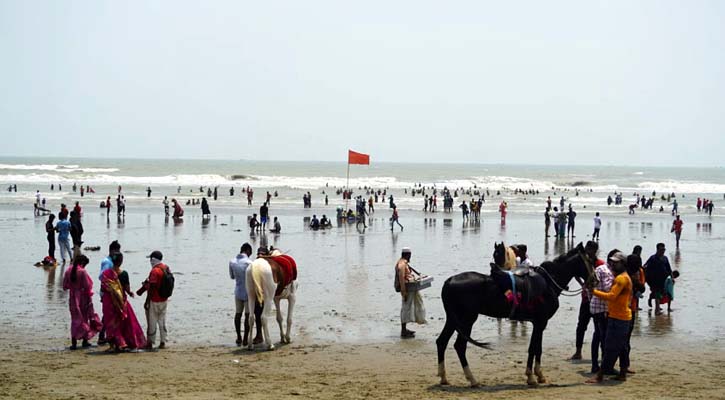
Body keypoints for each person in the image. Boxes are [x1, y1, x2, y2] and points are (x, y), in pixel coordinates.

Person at [586, 251, 632, 383]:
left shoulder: (621, 279)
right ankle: (622, 373)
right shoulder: (624, 276)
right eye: (612, 262)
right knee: (622, 346)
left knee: (609, 347)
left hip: (618, 318)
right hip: (622, 316)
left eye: (616, 262)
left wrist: (593, 291)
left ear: (622, 264)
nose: (612, 264)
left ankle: (600, 376)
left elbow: (612, 296)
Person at [100, 253, 147, 352]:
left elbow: (103, 288)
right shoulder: (124, 274)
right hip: (121, 302)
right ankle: (124, 343)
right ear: (121, 261)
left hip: (109, 302)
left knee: (111, 323)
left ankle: (113, 345)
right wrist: (130, 293)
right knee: (126, 323)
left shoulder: (106, 274)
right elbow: (126, 289)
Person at [569, 241, 601, 360]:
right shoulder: (583, 263)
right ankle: (578, 352)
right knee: (581, 326)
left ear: (595, 251)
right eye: (587, 250)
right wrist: (582, 284)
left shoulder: (600, 264)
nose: (588, 252)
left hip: (598, 301)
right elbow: (575, 273)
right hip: (586, 299)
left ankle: (601, 353)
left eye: (590, 250)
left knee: (599, 328)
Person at [63, 254, 102, 349]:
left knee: (75, 320)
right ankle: (85, 340)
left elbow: (65, 286)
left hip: (72, 298)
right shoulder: (82, 271)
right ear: (83, 263)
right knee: (84, 318)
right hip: (83, 297)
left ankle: (74, 343)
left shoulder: (68, 270)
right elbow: (87, 286)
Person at [229, 243, 263, 346]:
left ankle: (238, 337)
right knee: (248, 315)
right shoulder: (250, 263)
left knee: (238, 314)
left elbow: (232, 277)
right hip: (249, 293)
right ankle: (245, 338)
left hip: (238, 292)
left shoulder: (232, 262)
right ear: (248, 251)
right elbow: (254, 279)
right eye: (250, 252)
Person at [137, 250, 170, 350]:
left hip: (154, 300)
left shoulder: (154, 271)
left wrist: (147, 301)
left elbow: (152, 287)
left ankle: (150, 343)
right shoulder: (166, 268)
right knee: (162, 321)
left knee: (152, 322)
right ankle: (163, 342)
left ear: (153, 260)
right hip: (164, 299)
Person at [589, 249, 614, 374]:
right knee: (604, 337)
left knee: (597, 335)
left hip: (595, 306)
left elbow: (590, 286)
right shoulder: (607, 271)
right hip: (602, 307)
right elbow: (608, 289)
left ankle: (595, 365)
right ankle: (605, 367)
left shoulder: (599, 268)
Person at [395, 247, 425, 338]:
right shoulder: (402, 264)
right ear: (408, 255)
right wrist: (404, 292)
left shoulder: (403, 262)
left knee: (407, 307)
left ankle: (404, 329)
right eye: (410, 255)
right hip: (407, 289)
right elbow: (401, 277)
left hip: (410, 288)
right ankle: (403, 331)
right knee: (405, 308)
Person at [644, 243, 673, 315]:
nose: (663, 251)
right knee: (657, 294)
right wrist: (647, 279)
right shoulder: (653, 258)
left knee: (665, 294)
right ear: (657, 249)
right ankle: (657, 310)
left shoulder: (665, 258)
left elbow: (669, 269)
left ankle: (662, 306)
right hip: (655, 280)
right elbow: (645, 267)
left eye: (664, 250)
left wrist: (672, 277)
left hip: (664, 280)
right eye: (661, 250)